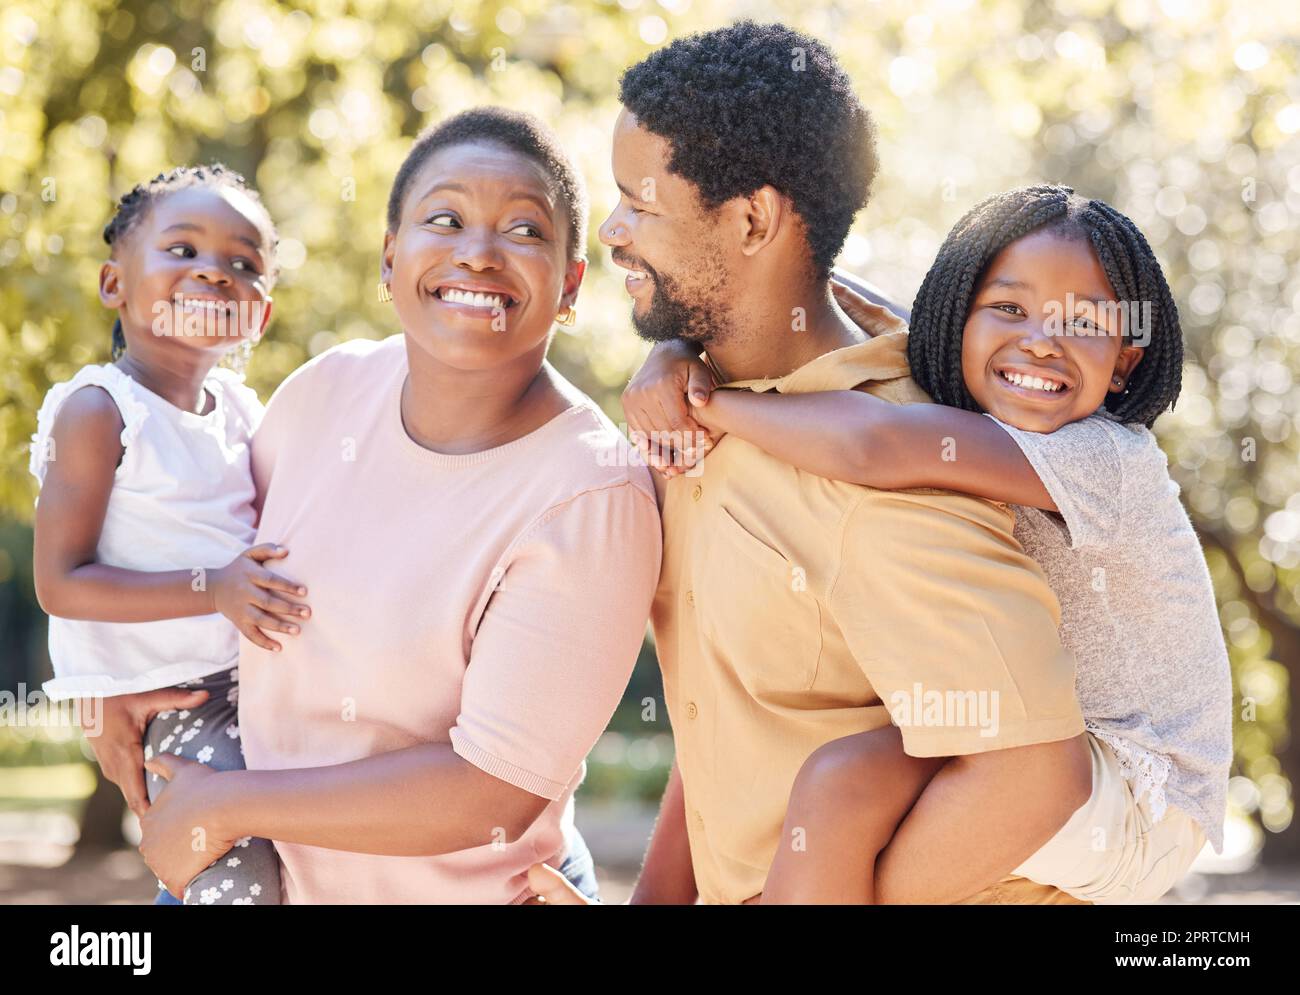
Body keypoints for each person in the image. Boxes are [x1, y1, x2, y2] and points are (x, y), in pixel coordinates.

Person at [531, 21, 1095, 905]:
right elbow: (730, 727)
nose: (609, 231)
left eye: (639, 203)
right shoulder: (703, 409)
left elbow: (1037, 775)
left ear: (753, 218)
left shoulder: (888, 472)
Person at [625, 185, 1233, 904]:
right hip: (1048, 745)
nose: (1040, 338)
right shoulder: (966, 410)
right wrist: (676, 344)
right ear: (957, 321)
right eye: (1007, 308)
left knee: (838, 788)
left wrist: (708, 404)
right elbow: (842, 305)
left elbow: (873, 442)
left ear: (1124, 363)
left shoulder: (1105, 456)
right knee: (838, 792)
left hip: (1142, 791)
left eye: (1085, 321)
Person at [135, 108, 662, 904]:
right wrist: (113, 687)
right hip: (252, 880)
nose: (477, 253)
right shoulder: (323, 391)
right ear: (390, 260)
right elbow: (205, 561)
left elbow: (492, 791)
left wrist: (226, 804)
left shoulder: (592, 496)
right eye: (443, 218)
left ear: (571, 284)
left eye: (523, 230)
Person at [30, 164, 289, 904]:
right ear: (115, 284)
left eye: (243, 264)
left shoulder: (242, 412)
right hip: (172, 699)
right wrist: (220, 589)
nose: (214, 271)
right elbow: (61, 582)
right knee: (234, 871)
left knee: (301, 854)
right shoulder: (100, 410)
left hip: (261, 686)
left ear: (261, 315)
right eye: (183, 250)